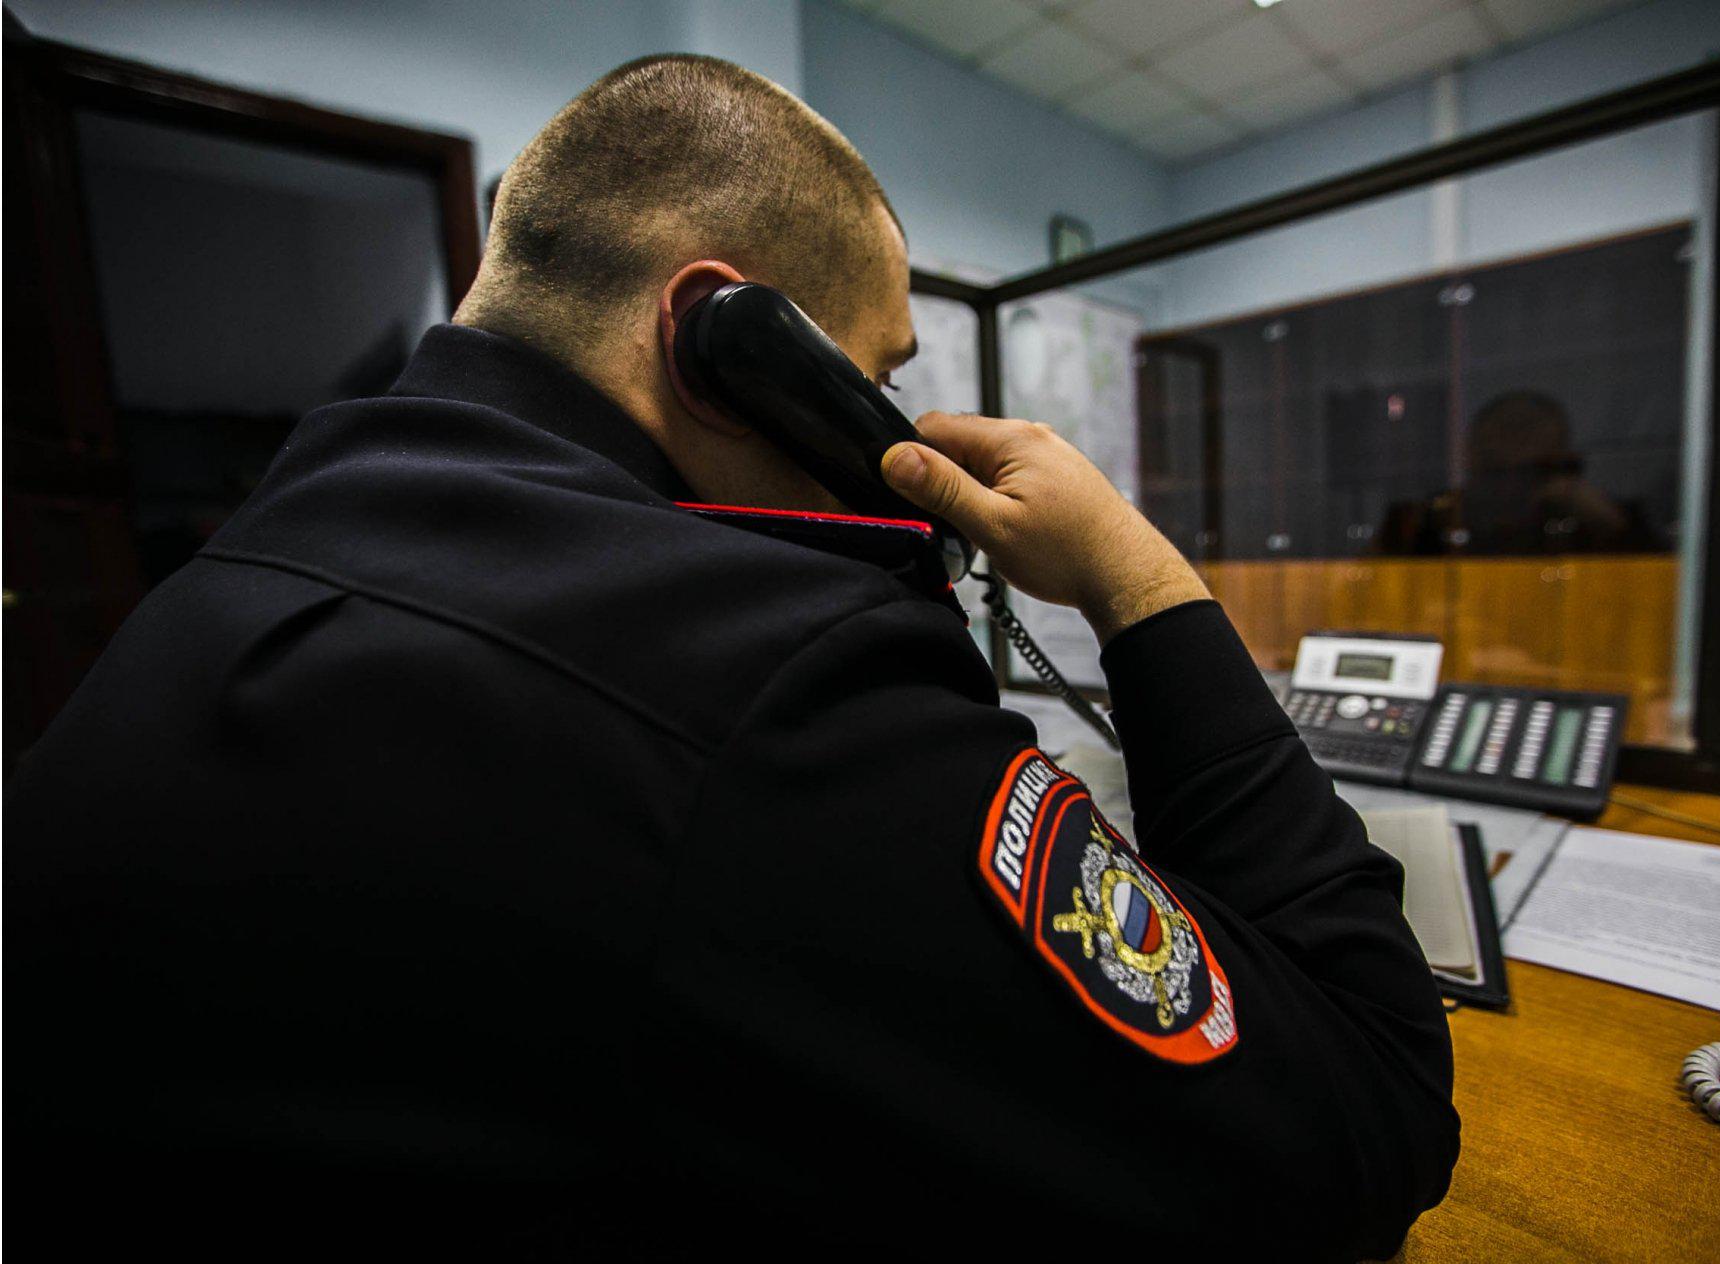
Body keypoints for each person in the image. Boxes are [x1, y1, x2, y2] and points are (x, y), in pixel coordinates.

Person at [7, 55, 1457, 1253]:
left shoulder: (221, 577)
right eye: (875, 379)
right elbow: (1364, 1118)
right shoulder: (757, 683)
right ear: (723, 337)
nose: (887, 433)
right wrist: (1138, 580)